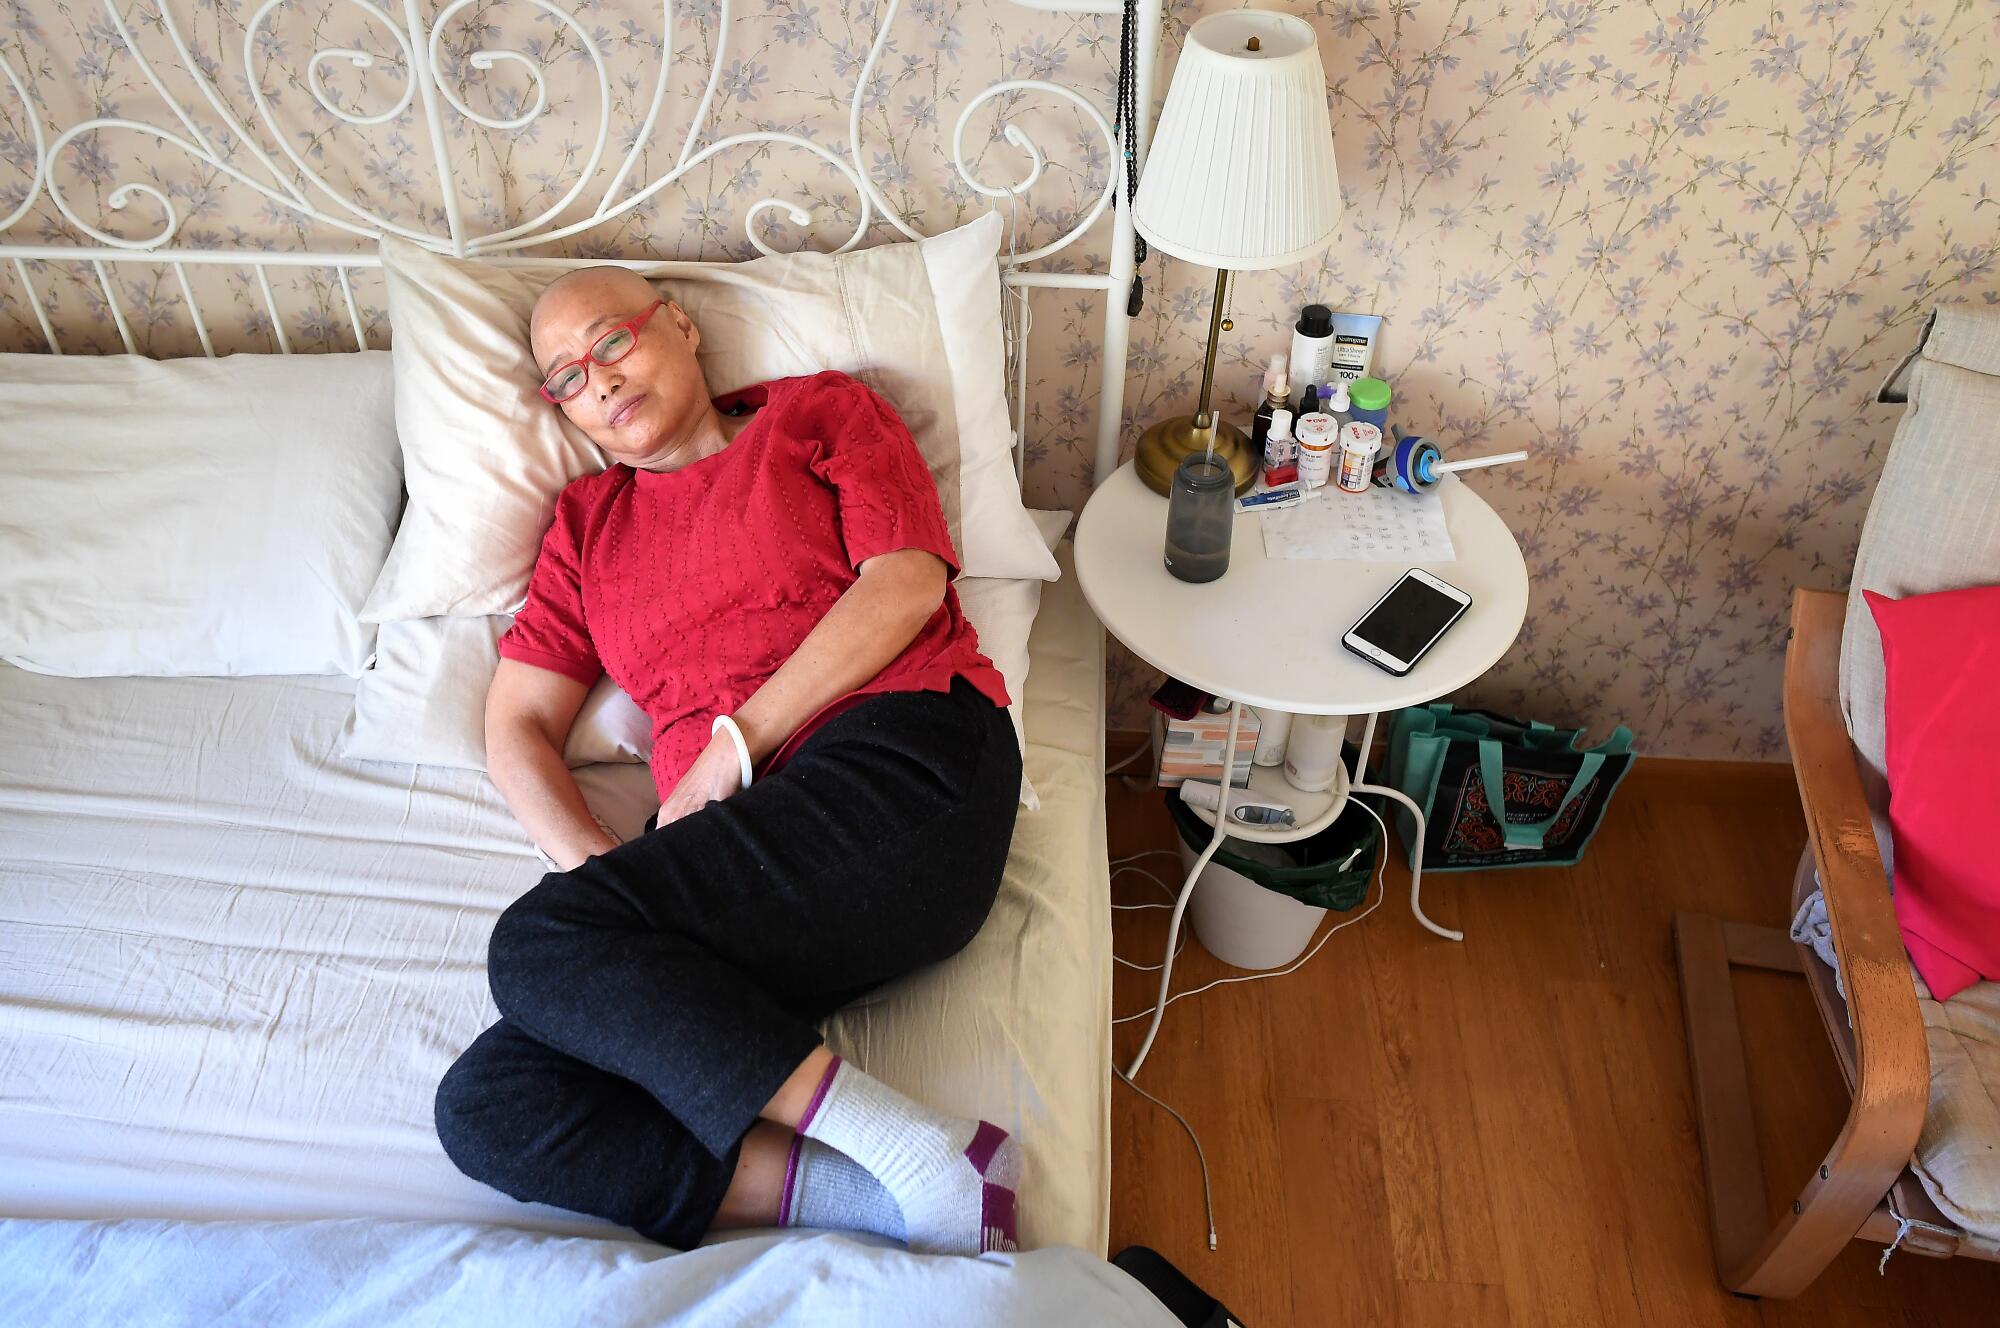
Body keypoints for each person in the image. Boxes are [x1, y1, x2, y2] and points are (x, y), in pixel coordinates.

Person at [432, 266, 1025, 1257]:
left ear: (678, 326)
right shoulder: (587, 529)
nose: (600, 382)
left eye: (610, 341)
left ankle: (916, 1151)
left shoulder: (821, 413)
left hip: (905, 756)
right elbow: (515, 726)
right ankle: (900, 1184)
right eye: (566, 378)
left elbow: (905, 583)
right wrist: (599, 885)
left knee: (529, 945)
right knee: (492, 1103)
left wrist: (732, 746)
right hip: (750, 856)